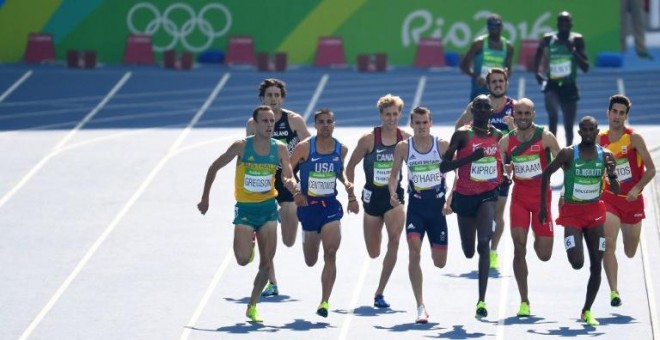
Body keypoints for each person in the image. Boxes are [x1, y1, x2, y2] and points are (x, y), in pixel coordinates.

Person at [197, 105, 297, 323]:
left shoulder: (279, 148)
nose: (270, 125)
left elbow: (289, 174)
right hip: (245, 210)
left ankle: (252, 305)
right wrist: (205, 198)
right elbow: (214, 167)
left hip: (269, 209)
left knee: (267, 262)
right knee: (242, 260)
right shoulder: (241, 147)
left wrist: (291, 183)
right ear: (255, 125)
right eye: (265, 121)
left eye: (272, 121)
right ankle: (249, 245)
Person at [539, 116, 620, 326]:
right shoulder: (568, 153)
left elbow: (617, 189)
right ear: (579, 132)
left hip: (594, 214)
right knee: (577, 263)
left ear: (597, 131)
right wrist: (543, 206)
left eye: (591, 129)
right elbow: (546, 174)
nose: (587, 133)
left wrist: (611, 175)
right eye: (583, 129)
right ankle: (573, 250)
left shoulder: (606, 156)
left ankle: (586, 310)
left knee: (596, 265)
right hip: (572, 214)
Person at [441, 94, 504, 319]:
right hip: (465, 197)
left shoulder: (498, 135)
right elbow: (444, 166)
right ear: (472, 110)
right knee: (469, 251)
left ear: (491, 112)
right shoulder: (461, 135)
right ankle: (477, 236)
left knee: (484, 244)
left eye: (486, 107)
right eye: (477, 107)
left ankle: (481, 301)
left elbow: (501, 161)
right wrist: (469, 159)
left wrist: (505, 174)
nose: (482, 111)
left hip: (487, 195)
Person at [345, 94, 411, 308]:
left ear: (400, 114)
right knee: (374, 252)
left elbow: (420, 163)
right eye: (388, 114)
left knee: (394, 241)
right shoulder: (369, 139)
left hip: (394, 197)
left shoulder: (406, 138)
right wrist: (351, 196)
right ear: (381, 115)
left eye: (395, 114)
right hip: (372, 197)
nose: (392, 118)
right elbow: (349, 167)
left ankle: (380, 292)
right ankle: (376, 250)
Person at [246, 78, 311, 297]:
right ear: (262, 99)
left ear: (282, 98)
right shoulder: (252, 124)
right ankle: (271, 282)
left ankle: (289, 218)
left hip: (287, 181)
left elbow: (309, 149)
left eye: (276, 96)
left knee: (289, 240)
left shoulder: (294, 121)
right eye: (269, 96)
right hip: (263, 182)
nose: (273, 99)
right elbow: (248, 155)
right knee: (267, 237)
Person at [290, 108, 357, 318]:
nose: (326, 125)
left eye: (329, 121)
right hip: (308, 207)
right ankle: (307, 234)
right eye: (321, 122)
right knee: (311, 260)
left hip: (330, 206)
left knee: (330, 253)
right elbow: (287, 173)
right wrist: (296, 192)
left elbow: (339, 171)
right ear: (315, 125)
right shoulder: (304, 148)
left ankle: (324, 301)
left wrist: (348, 186)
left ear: (334, 124)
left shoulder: (341, 149)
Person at [499, 98, 561, 317]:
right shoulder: (506, 142)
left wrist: (566, 194)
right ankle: (524, 301)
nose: (523, 117)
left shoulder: (546, 137)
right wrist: (506, 170)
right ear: (514, 115)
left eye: (527, 113)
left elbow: (566, 162)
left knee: (544, 254)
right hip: (520, 198)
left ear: (533, 114)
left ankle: (538, 231)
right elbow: (501, 170)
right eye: (519, 114)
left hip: (542, 199)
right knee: (518, 247)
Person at [388, 106, 450, 323]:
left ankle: (421, 304)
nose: (422, 126)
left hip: (437, 210)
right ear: (411, 124)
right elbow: (394, 174)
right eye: (418, 123)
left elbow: (460, 172)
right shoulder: (404, 147)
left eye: (425, 122)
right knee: (414, 252)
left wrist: (451, 199)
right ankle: (420, 305)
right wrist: (392, 192)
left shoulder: (441, 145)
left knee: (439, 262)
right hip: (416, 208)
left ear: (430, 123)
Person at [453, 67, 515, 269]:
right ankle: (481, 241)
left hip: (501, 170)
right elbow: (458, 128)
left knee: (498, 213)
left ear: (506, 84)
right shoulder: (478, 105)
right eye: (494, 81)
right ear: (488, 85)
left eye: (501, 81)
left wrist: (513, 127)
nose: (498, 84)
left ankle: (493, 250)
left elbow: (524, 139)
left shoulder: (514, 107)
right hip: (476, 171)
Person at [598, 95, 656, 307]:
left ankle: (630, 239)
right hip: (609, 199)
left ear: (626, 116)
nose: (617, 116)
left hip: (632, 201)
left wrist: (637, 188)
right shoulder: (599, 139)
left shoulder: (634, 139)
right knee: (608, 243)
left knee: (630, 251)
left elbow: (651, 169)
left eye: (622, 113)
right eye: (614, 112)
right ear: (608, 113)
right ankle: (614, 291)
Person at [533, 11, 590, 146]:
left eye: (567, 21)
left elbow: (585, 67)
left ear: (571, 24)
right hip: (552, 84)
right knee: (552, 116)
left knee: (568, 124)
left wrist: (573, 51)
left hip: (569, 85)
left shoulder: (577, 39)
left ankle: (568, 151)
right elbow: (538, 54)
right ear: (557, 24)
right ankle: (552, 149)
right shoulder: (548, 39)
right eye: (561, 21)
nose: (564, 24)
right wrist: (537, 72)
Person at [460, 13, 514, 100]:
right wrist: (476, 77)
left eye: (497, 25)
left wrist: (504, 77)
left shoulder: (508, 47)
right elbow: (463, 65)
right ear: (487, 27)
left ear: (502, 26)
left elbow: (509, 69)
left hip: (498, 92)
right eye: (491, 25)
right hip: (479, 92)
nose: (494, 28)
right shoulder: (478, 43)